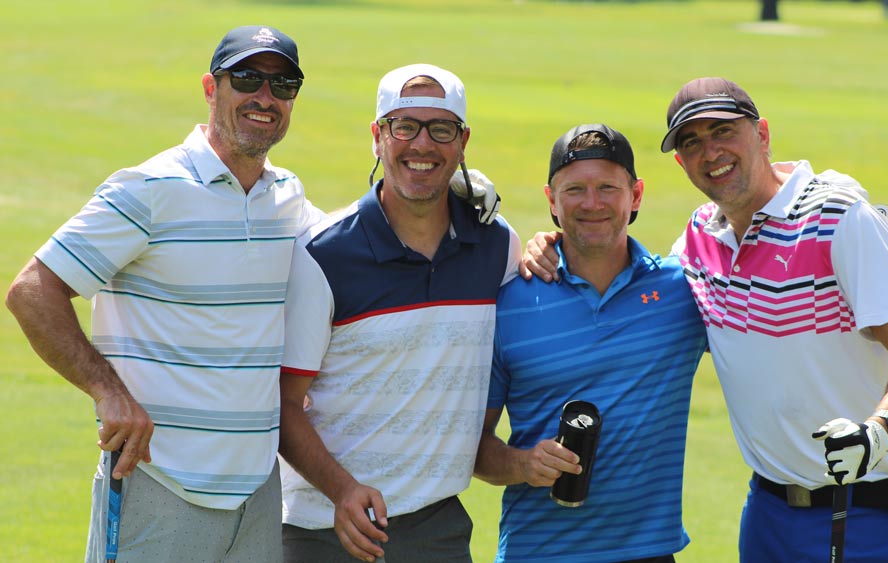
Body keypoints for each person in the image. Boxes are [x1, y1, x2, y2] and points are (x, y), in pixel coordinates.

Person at [525, 78, 888, 562]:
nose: (711, 152)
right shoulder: (701, 236)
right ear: (681, 163)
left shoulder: (838, 214)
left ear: (762, 135)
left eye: (723, 132)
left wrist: (878, 432)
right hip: (769, 513)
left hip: (871, 510)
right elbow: (634, 282)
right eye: (692, 142)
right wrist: (557, 241)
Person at [5, 25, 326, 562]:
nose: (265, 97)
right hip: (159, 484)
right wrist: (107, 391)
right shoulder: (149, 189)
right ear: (211, 88)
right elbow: (32, 290)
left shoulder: (286, 195)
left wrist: (462, 192)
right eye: (247, 78)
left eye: (283, 84)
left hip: (257, 491)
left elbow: (358, 237)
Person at [276, 63, 521, 563]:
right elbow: (280, 403)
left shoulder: (499, 247)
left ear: (463, 141)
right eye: (405, 126)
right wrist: (342, 489)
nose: (422, 145)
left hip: (439, 526)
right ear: (377, 136)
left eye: (441, 129)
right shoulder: (323, 254)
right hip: (325, 528)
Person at [473, 124, 707, 563]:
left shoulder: (681, 292)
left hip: (649, 552)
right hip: (537, 551)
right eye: (575, 189)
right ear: (551, 201)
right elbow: (473, 446)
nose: (593, 203)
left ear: (635, 196)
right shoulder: (509, 302)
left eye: (607, 188)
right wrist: (523, 464)